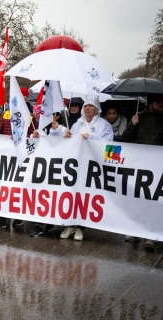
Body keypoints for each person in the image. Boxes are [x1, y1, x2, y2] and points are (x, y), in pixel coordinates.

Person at [116, 93, 163, 249]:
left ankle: (151, 235)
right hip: (140, 165)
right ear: (151, 103)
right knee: (137, 199)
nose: (162, 104)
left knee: (154, 201)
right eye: (159, 102)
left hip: (159, 167)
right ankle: (134, 230)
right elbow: (126, 139)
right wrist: (133, 124)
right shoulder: (138, 118)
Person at [59, 96, 113, 241]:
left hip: (92, 164)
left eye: (90, 106)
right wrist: (68, 135)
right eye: (86, 106)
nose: (87, 108)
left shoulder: (104, 125)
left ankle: (80, 227)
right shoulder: (77, 124)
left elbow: (109, 143)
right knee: (73, 193)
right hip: (77, 163)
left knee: (85, 195)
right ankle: (70, 224)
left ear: (96, 109)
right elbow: (70, 140)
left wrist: (92, 137)